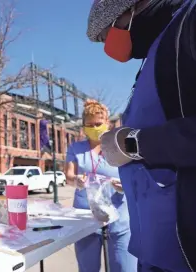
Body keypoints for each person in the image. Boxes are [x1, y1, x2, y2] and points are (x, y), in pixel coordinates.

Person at [86, 0, 196, 271]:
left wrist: (133, 143)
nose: (107, 48)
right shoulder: (157, 50)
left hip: (185, 251)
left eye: (106, 36)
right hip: (153, 248)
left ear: (129, 10)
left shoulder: (189, 23)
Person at [65, 100, 137, 272]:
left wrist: (124, 186)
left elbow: (135, 176)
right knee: (88, 268)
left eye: (98, 124)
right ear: (83, 126)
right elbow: (68, 176)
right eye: (89, 125)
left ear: (108, 124)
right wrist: (77, 181)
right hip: (85, 220)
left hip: (119, 218)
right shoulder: (75, 148)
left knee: (124, 268)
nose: (94, 127)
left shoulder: (120, 146)